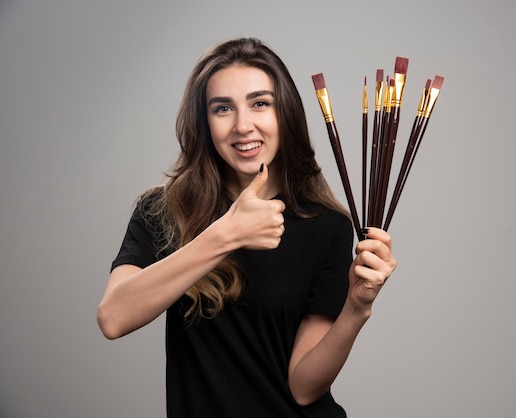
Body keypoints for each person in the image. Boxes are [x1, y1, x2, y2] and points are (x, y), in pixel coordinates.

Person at [97, 37, 397, 417]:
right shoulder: (162, 210)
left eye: (260, 103)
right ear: (205, 122)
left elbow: (304, 389)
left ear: (284, 113)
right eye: (223, 108)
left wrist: (356, 308)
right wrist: (227, 234)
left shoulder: (327, 226)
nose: (243, 126)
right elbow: (113, 317)